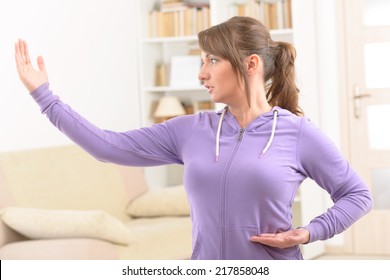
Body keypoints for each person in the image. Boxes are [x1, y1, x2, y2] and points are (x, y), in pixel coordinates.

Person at [15, 16, 372, 260]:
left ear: (250, 65)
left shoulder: (297, 133)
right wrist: (44, 96)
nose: (201, 73)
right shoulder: (190, 130)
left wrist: (309, 232)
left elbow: (357, 195)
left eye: (212, 60)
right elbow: (107, 147)